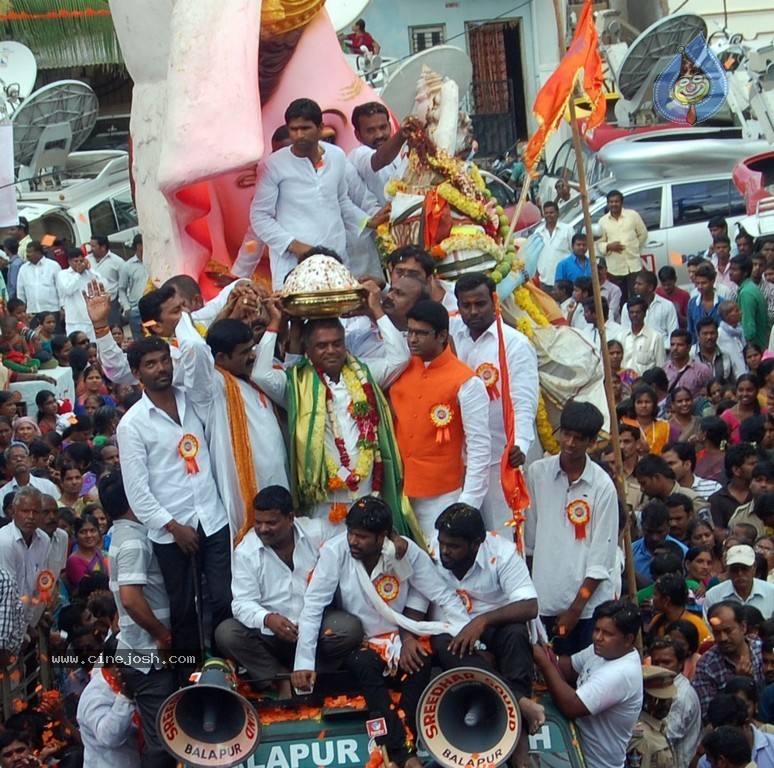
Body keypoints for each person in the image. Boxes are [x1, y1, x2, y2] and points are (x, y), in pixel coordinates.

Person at [291, 497, 470, 768]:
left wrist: (469, 636)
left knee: (420, 665)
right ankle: (405, 754)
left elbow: (442, 595)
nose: (353, 541)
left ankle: (403, 747)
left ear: (383, 536)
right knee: (366, 669)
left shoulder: (406, 553)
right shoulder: (335, 551)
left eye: (361, 537)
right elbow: (313, 605)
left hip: (399, 639)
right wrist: (303, 662)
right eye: (351, 533)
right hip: (358, 642)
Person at [256, 287, 410, 533]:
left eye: (337, 343)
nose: (330, 350)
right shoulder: (295, 385)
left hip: (368, 493)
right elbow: (260, 374)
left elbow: (399, 358)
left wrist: (376, 311)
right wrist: (276, 323)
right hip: (325, 504)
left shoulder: (364, 375)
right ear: (308, 350)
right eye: (321, 345)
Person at [116, 332, 233, 655]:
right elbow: (137, 492)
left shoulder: (193, 399)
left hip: (212, 517)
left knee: (224, 597)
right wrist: (173, 527)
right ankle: (190, 678)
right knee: (183, 609)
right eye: (151, 364)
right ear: (137, 374)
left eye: (165, 360)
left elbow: (198, 351)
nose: (161, 368)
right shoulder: (132, 425)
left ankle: (228, 669)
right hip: (171, 531)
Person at [215, 486, 363, 698]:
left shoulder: (315, 531)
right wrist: (267, 619)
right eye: (258, 522)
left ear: (291, 518)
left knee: (350, 629)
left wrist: (392, 537)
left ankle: (308, 675)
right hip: (271, 636)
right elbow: (241, 604)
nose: (263, 528)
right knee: (227, 633)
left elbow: (352, 533)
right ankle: (280, 677)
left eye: (271, 523)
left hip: (316, 627)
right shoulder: (246, 551)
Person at [428, 503, 543, 762]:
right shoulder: (432, 553)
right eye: (442, 542)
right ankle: (520, 702)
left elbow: (530, 606)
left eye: (454, 546)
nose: (444, 550)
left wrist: (482, 622)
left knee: (515, 634)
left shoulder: (502, 553)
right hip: (452, 633)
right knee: (441, 643)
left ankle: (518, 748)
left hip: (494, 629)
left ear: (476, 543)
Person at [250, 99, 377, 288]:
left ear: (320, 128)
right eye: (294, 129)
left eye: (305, 128)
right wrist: (295, 246)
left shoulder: (337, 156)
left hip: (335, 258)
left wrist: (366, 222)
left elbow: (341, 201)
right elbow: (259, 216)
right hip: (292, 263)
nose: (299, 135)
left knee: (341, 315)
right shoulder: (273, 165)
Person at [390, 301, 489, 540]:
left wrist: (467, 505)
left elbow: (479, 447)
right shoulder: (399, 368)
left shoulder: (466, 381)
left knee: (440, 568)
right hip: (398, 491)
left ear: (443, 336)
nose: (412, 339)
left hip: (442, 496)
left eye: (421, 333)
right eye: (410, 332)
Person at [525, 401, 618, 655]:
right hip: (543, 603)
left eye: (579, 438)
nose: (570, 443)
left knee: (580, 677)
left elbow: (602, 559)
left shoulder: (602, 487)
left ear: (591, 441)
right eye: (566, 434)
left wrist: (576, 610)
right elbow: (530, 542)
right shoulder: (537, 473)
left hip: (586, 608)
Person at [451, 273, 539, 533]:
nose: (473, 312)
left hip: (500, 459)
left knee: (502, 537)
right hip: (460, 460)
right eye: (466, 306)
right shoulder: (452, 335)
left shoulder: (515, 344)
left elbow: (524, 401)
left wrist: (520, 444)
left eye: (480, 304)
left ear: (494, 301)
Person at [197, 318, 289, 539]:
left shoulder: (255, 377)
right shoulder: (214, 385)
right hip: (248, 489)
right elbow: (194, 350)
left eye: (253, 348)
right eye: (244, 352)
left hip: (280, 480)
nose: (253, 355)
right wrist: (273, 322)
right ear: (220, 358)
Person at [532, 600, 643, 768]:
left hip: (596, 764)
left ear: (628, 640)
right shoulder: (603, 649)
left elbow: (571, 706)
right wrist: (547, 654)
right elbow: (569, 667)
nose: (598, 637)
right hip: (575, 750)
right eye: (596, 630)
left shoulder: (622, 673)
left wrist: (544, 662)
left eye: (607, 633)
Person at [692, 601, 765, 720]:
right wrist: (737, 685)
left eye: (728, 631)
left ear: (743, 627)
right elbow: (709, 715)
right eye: (717, 632)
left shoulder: (761, 650)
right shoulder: (707, 665)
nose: (722, 638)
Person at [0, 486, 50, 627]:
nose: (31, 516)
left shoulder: (44, 540)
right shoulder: (5, 541)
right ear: (14, 513)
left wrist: (28, 624)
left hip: (23, 621)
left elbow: (38, 586)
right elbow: (8, 594)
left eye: (36, 512)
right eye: (25, 511)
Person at [649, 636, 702, 768]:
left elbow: (667, 737)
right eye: (656, 662)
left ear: (680, 664)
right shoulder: (659, 688)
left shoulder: (681, 696)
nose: (660, 667)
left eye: (666, 662)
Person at [76, 662, 140, 768]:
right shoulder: (95, 695)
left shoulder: (127, 683)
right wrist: (125, 698)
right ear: (115, 667)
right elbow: (109, 737)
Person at [349, 102, 407, 207]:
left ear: (390, 126)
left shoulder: (396, 156)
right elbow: (381, 158)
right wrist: (403, 133)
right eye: (370, 130)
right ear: (358, 135)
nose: (379, 135)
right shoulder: (358, 155)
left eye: (383, 127)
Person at [595, 189, 648, 299]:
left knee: (637, 297)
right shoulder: (603, 221)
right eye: (611, 202)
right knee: (620, 299)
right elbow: (599, 243)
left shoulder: (633, 215)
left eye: (616, 201)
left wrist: (634, 247)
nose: (614, 204)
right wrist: (609, 246)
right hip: (615, 268)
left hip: (634, 265)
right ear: (608, 203)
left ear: (621, 202)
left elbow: (643, 234)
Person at [625, 665, 678, 768]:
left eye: (669, 698)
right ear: (646, 699)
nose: (666, 704)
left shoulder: (660, 725)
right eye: (660, 700)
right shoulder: (641, 737)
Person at [703, 544, 774, 619]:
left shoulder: (771, 592)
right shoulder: (713, 595)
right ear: (727, 570)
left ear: (754, 567)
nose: (740, 573)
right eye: (734, 569)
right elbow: (708, 628)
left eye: (744, 568)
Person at [635, 453, 709, 518]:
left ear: (656, 478)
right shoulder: (648, 507)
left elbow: (705, 531)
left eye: (643, 483)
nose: (642, 489)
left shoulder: (693, 501)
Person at [648, 573, 712, 644]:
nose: (652, 598)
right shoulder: (657, 620)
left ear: (666, 600)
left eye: (655, 594)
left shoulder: (696, 624)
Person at [632, 501, 688, 580]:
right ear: (641, 525)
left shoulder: (684, 552)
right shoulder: (631, 552)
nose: (654, 538)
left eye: (660, 532)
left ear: (668, 526)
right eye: (649, 532)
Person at [732, 254, 771, 349]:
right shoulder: (750, 287)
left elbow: (749, 331)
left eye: (734, 270)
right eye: (730, 269)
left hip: (755, 350)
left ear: (745, 272)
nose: (730, 273)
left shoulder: (746, 293)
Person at [89, 235, 129, 327]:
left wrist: (123, 303)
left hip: (111, 301)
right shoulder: (87, 260)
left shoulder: (117, 261)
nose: (91, 249)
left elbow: (125, 283)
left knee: (113, 328)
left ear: (103, 247)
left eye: (94, 246)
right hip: (92, 302)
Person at [56, 248, 96, 341]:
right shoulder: (63, 274)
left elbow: (103, 284)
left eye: (81, 261)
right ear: (69, 261)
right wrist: (78, 274)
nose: (79, 263)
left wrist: (90, 270)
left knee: (94, 347)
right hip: (74, 320)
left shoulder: (89, 273)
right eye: (76, 261)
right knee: (76, 346)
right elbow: (68, 290)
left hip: (90, 319)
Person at [533, 200, 573, 291]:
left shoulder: (567, 230)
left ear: (558, 214)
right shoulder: (538, 232)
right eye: (546, 213)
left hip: (564, 280)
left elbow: (574, 252)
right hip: (544, 280)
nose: (549, 215)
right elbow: (534, 255)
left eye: (551, 212)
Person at [15, 241, 61, 318]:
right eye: (27, 252)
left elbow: (60, 289)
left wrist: (63, 307)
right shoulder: (23, 269)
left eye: (29, 252)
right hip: (32, 312)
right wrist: (22, 311)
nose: (27, 255)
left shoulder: (53, 266)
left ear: (38, 253)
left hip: (52, 310)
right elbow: (20, 291)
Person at [621, 296, 666, 371]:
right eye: (631, 312)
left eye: (638, 312)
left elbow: (660, 366)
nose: (634, 315)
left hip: (646, 382)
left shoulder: (656, 337)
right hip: (624, 381)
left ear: (645, 313)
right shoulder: (621, 336)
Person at [65, 513, 107, 592]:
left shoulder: (104, 555)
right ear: (76, 535)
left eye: (93, 531)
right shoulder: (73, 561)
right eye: (83, 532)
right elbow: (86, 589)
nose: (88, 535)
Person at [664, 330, 712, 397]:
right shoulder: (665, 369)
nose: (675, 348)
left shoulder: (702, 370)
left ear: (689, 347)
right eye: (672, 344)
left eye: (680, 345)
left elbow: (711, 392)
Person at [120, 233, 149, 341]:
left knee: (155, 337)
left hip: (153, 309)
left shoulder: (154, 261)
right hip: (136, 311)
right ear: (138, 246)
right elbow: (121, 289)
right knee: (140, 341)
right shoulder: (127, 266)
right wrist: (127, 307)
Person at [721, 375, 764, 444]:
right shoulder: (727, 417)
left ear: (757, 391)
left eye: (749, 390)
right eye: (740, 390)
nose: (744, 394)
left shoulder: (765, 414)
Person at [693, 317, 734, 384]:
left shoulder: (725, 355)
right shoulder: (690, 355)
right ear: (698, 335)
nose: (709, 337)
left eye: (712, 333)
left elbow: (731, 382)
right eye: (705, 334)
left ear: (717, 334)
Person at [688, 262, 723, 342]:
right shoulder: (692, 303)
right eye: (697, 283)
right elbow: (691, 330)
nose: (700, 287)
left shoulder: (722, 304)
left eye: (704, 283)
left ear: (712, 281)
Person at [657, 265, 691, 329]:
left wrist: (677, 315)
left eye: (669, 284)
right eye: (663, 285)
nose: (666, 287)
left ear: (675, 280)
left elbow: (689, 322)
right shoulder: (657, 293)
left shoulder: (684, 295)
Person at [598, 257, 623, 322]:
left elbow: (612, 312)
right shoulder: (588, 287)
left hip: (611, 325)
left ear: (606, 270)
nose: (597, 271)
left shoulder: (615, 289)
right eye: (594, 268)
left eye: (600, 268)